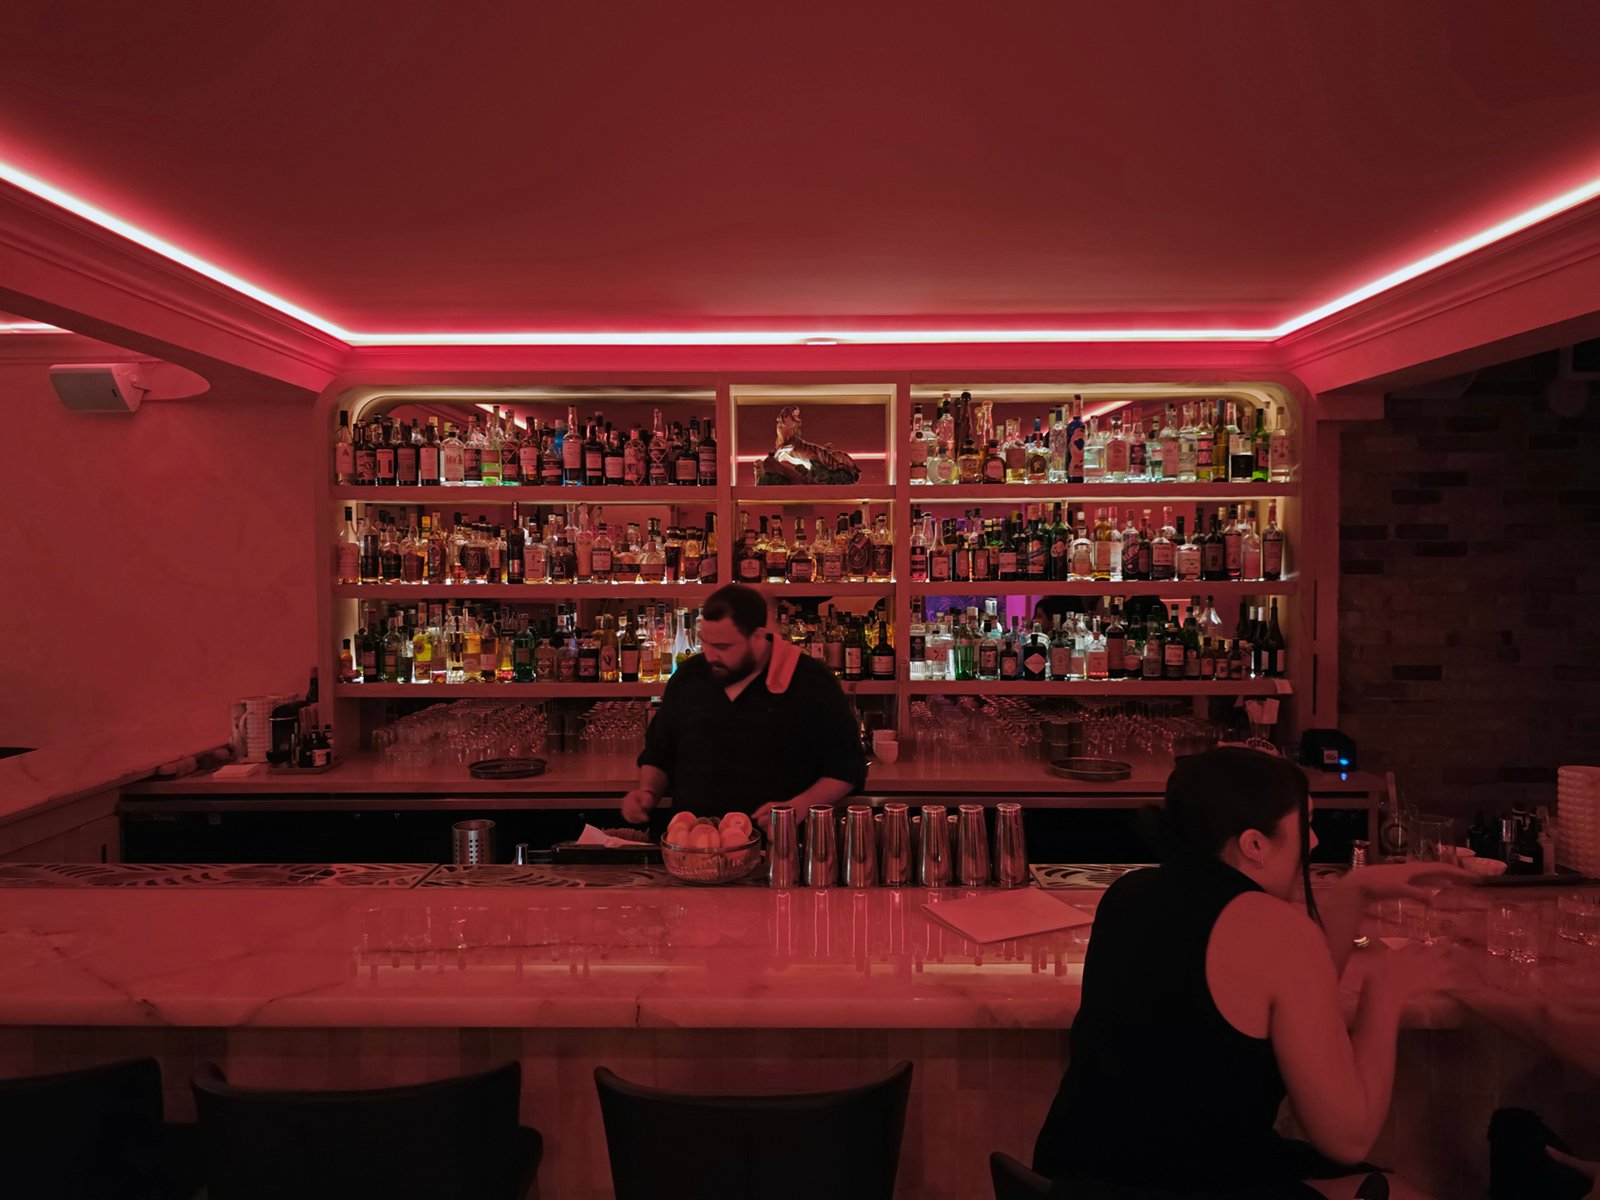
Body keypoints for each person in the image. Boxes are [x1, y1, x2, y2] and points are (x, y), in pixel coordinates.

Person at [1032, 747, 1471, 1200]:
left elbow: (1290, 991)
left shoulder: (1127, 894)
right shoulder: (1277, 930)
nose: (1315, 842)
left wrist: (1352, 894)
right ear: (1254, 845)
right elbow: (1348, 1137)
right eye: (1305, 826)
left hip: (1075, 1178)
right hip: (1189, 1185)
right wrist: (1387, 991)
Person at [621, 582, 867, 833]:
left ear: (758, 638)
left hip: (778, 851)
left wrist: (797, 808)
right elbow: (659, 752)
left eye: (723, 647)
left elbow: (847, 769)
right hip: (694, 849)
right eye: (706, 643)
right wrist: (647, 793)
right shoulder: (689, 676)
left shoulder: (809, 680)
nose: (710, 655)